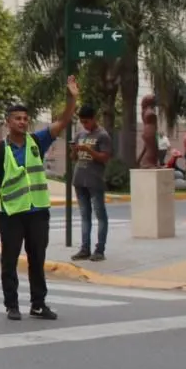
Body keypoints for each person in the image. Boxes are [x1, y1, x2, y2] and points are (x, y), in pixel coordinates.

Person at [0, 75, 79, 321]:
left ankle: (38, 303)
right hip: (11, 213)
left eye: (26, 118)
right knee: (10, 261)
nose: (23, 122)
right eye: (17, 118)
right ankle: (12, 305)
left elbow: (62, 121)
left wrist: (72, 98)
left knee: (37, 259)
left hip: (37, 211)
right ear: (8, 122)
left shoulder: (37, 141)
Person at [70, 105, 112, 262]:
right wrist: (74, 150)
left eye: (87, 121)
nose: (84, 125)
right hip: (79, 179)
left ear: (94, 118)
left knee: (100, 214)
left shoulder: (102, 136)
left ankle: (100, 249)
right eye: (82, 122)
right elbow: (73, 158)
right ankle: (84, 248)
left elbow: (105, 158)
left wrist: (89, 150)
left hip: (95, 179)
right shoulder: (79, 134)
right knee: (84, 215)